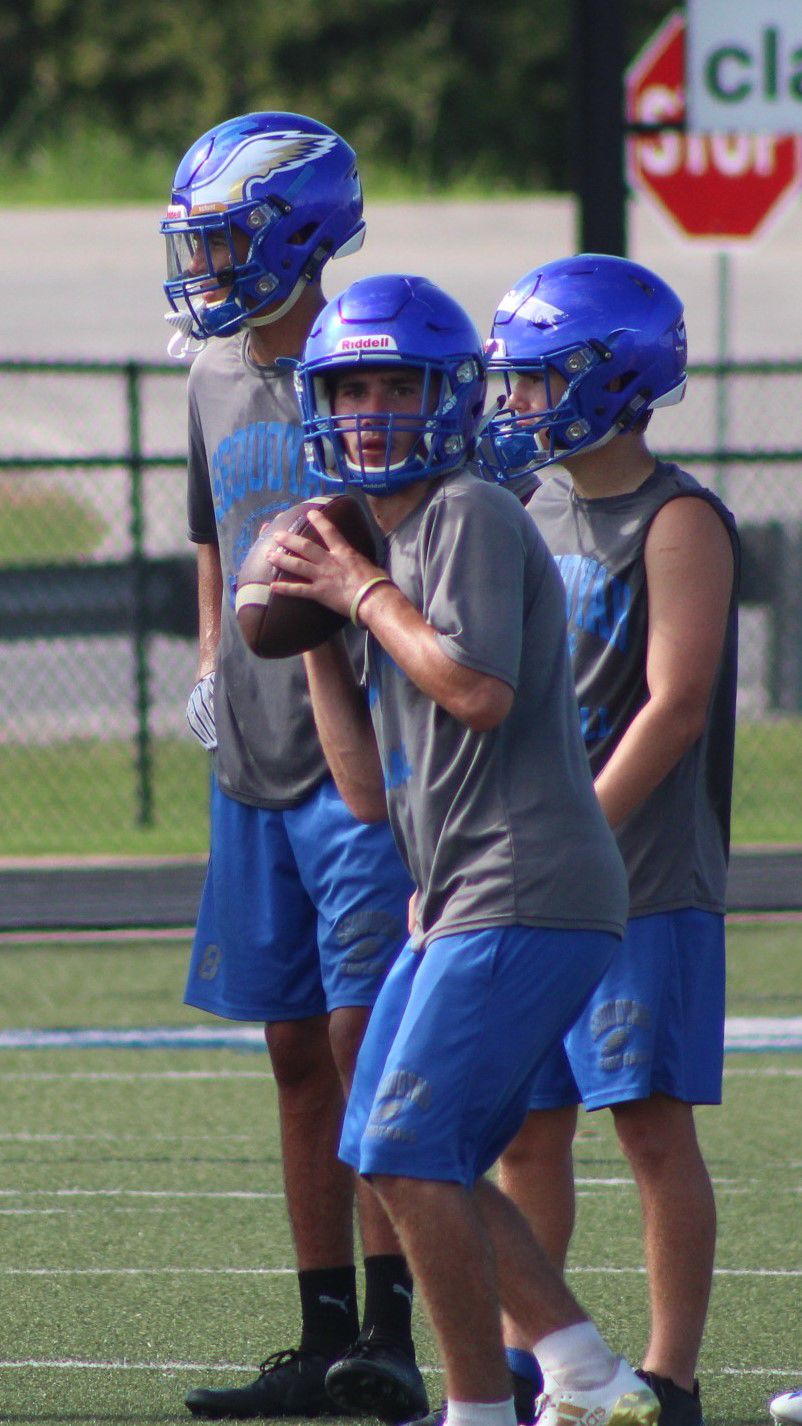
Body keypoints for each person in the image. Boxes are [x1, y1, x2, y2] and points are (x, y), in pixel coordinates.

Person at [265, 270, 661, 1426]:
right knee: (390, 1148)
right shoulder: (386, 547)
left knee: (408, 1144)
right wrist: (314, 625)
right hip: (460, 895)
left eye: (398, 385)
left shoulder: (468, 511)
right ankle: (588, 1378)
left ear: (448, 396)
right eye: (349, 388)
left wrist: (363, 588)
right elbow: (362, 794)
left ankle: (482, 1409)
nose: (372, 411)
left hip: (528, 881)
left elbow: (478, 690)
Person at [161, 112, 428, 1423]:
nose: (205, 265)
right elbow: (213, 529)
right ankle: (322, 1337)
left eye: (222, 239)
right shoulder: (208, 374)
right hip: (254, 757)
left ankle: (393, 1332)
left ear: (294, 238)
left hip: (361, 759)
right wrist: (211, 652)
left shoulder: (370, 365)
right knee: (287, 1045)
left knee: (361, 1032)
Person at [483, 253, 740, 1426]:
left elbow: (674, 701)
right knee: (523, 1131)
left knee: (644, 1124)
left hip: (637, 876)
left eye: (537, 379)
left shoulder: (675, 517)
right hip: (528, 875)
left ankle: (670, 1377)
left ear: (608, 376)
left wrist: (574, 832)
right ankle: (535, 1366)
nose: (518, 401)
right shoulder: (527, 508)